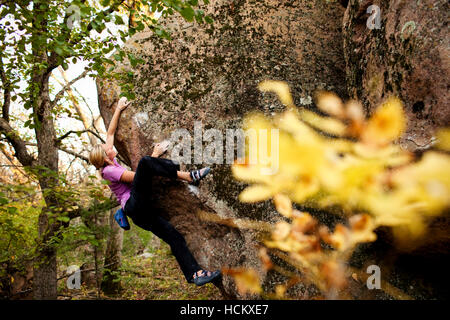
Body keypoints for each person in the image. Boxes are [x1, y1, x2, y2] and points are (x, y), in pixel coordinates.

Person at [89, 97, 221, 286]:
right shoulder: (109, 171)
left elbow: (110, 133)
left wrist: (118, 108)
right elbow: (137, 178)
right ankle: (188, 176)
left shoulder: (109, 159)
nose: (109, 146)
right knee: (145, 162)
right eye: (105, 148)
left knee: (173, 236)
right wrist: (155, 156)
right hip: (135, 205)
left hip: (141, 213)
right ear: (105, 156)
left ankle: (195, 274)